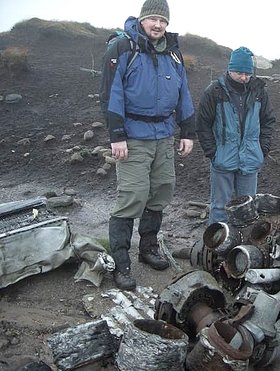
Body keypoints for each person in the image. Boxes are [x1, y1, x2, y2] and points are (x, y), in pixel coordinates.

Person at [100, 0, 195, 290]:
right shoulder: (123, 48)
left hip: (164, 136)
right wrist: (116, 135)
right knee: (133, 196)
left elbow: (183, 94)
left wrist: (187, 131)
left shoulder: (173, 54)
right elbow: (111, 94)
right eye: (153, 19)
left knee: (161, 191)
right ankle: (121, 262)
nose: (158, 25)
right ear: (142, 20)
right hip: (133, 136)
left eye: (163, 21)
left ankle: (148, 248)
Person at [196, 47, 276, 225]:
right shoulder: (214, 91)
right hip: (223, 158)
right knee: (219, 207)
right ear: (230, 69)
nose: (244, 77)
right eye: (239, 72)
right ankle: (217, 247)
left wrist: (262, 149)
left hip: (250, 158)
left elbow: (268, 121)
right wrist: (212, 152)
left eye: (247, 73)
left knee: (247, 207)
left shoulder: (259, 92)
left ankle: (242, 249)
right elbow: (203, 124)